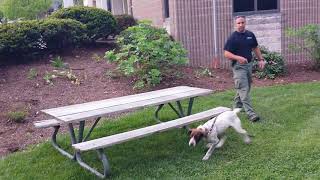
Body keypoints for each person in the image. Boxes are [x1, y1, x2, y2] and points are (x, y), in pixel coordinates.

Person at [224, 15, 265, 122]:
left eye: (242, 22)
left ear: (245, 23)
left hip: (248, 65)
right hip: (238, 67)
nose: (241, 25)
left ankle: (236, 109)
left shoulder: (250, 35)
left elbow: (255, 47)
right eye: (238, 23)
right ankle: (251, 114)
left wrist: (261, 59)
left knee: (244, 88)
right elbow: (226, 53)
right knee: (243, 88)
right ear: (235, 24)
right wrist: (238, 58)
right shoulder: (233, 38)